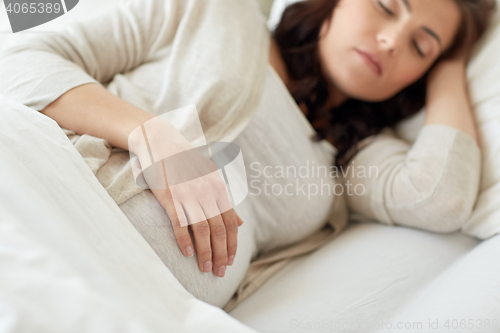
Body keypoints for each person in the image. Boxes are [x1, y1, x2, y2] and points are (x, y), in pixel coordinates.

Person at [0, 0, 495, 309]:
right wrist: (152, 134)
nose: (391, 41)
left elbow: (440, 196)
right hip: (47, 209)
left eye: (419, 46)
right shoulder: (216, 11)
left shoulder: (352, 154)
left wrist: (453, 61)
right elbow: (19, 59)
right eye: (386, 6)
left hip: (128, 307)